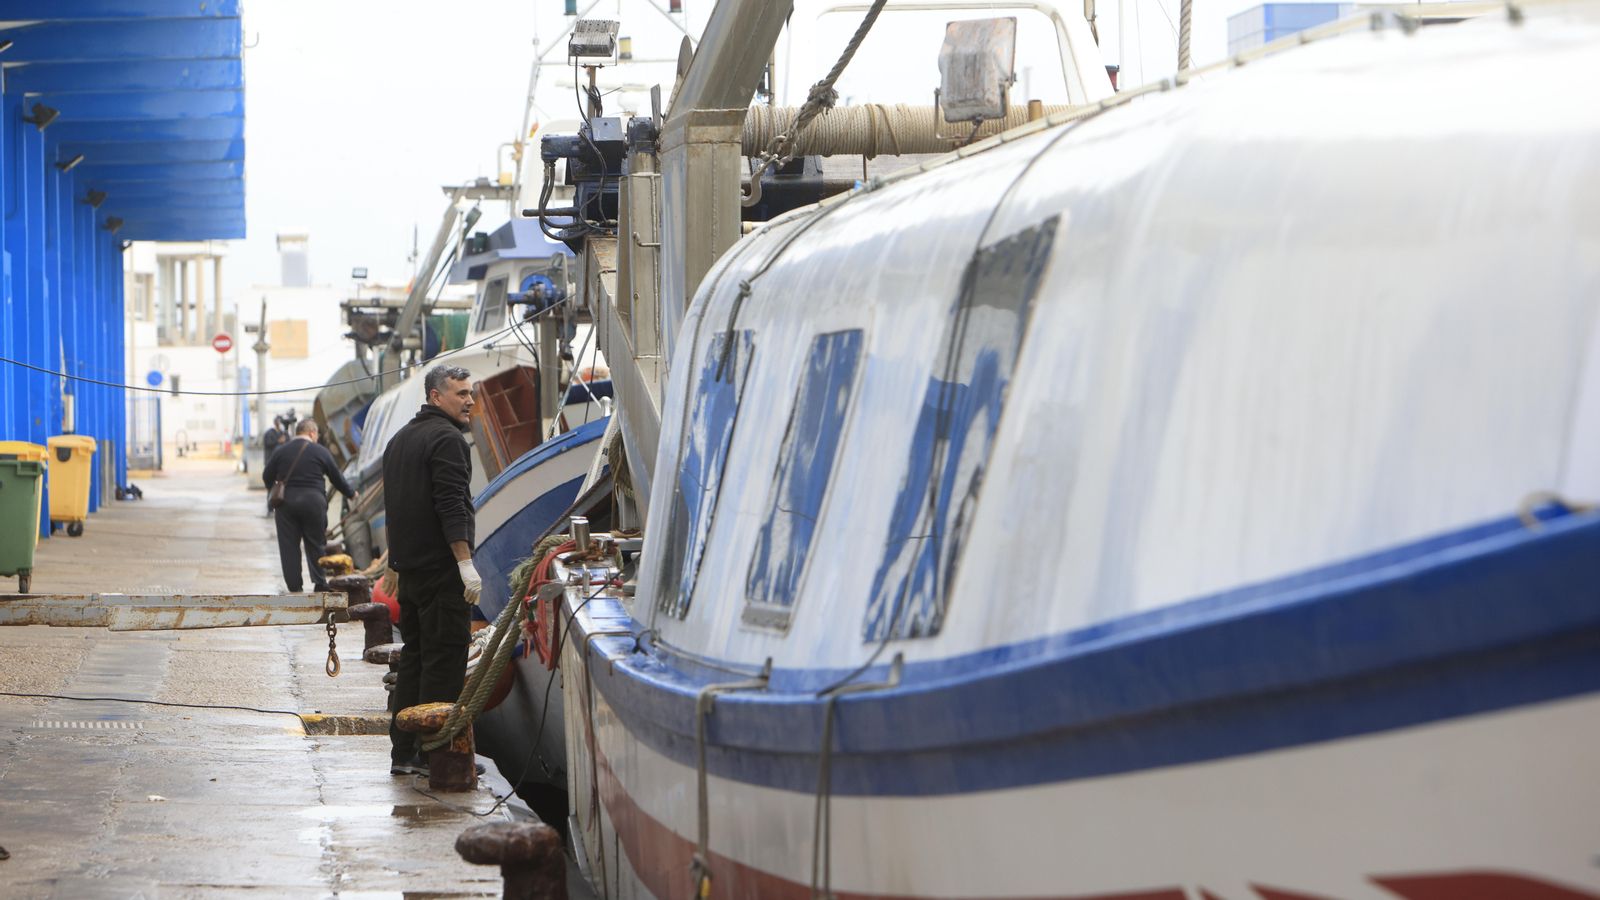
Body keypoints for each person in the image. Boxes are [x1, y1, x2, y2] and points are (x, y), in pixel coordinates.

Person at [382, 364, 484, 776]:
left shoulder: (400, 440)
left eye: (470, 393)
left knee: (415, 658)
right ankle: (435, 752)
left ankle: (403, 752)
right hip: (442, 571)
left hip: (411, 572)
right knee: (443, 661)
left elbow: (397, 510)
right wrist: (465, 564)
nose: (470, 401)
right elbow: (451, 505)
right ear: (435, 396)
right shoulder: (447, 440)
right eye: (460, 393)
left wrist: (395, 562)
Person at [262, 420, 355, 593]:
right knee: (316, 543)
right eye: (317, 435)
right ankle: (319, 583)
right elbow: (336, 477)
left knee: (288, 546)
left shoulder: (281, 451)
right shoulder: (320, 451)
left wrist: (274, 489)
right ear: (312, 433)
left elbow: (267, 475)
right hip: (313, 503)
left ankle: (294, 586)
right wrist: (351, 493)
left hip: (286, 504)